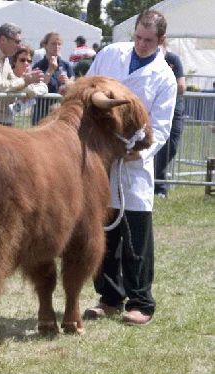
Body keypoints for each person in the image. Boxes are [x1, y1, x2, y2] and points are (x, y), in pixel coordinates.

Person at [84, 10, 177, 325]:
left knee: (136, 233)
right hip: (100, 157)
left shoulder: (164, 76)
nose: (140, 44)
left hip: (134, 165)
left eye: (148, 40)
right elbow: (87, 88)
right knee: (104, 233)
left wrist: (140, 153)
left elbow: (162, 128)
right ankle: (109, 298)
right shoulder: (110, 54)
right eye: (137, 37)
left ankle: (141, 302)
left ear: (160, 41)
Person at [0, 23, 44, 125]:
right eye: (17, 41)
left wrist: (29, 89)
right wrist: (26, 81)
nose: (19, 46)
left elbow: (15, 81)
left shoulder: (5, 59)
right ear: (3, 40)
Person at [154, 41, 186, 198]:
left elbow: (182, 87)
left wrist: (166, 81)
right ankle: (158, 185)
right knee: (153, 145)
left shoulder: (173, 59)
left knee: (171, 146)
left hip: (175, 108)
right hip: (155, 108)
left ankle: (157, 181)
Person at [32, 32, 74, 124]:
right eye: (53, 44)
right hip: (42, 111)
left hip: (60, 112)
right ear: (45, 45)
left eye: (59, 44)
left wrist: (67, 82)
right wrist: (50, 69)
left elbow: (74, 85)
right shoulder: (38, 66)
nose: (57, 47)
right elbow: (38, 87)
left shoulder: (66, 65)